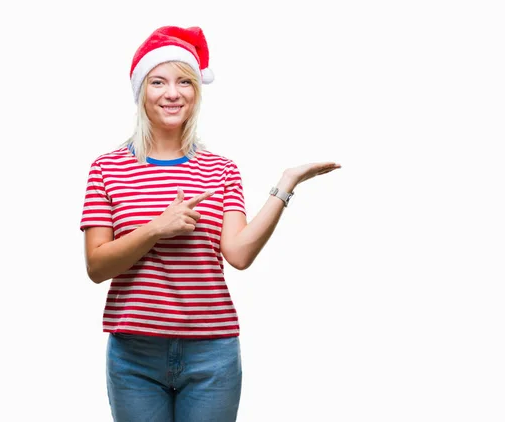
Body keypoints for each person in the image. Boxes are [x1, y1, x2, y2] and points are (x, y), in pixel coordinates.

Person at [80, 25, 341, 422]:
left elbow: (238, 254)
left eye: (184, 81)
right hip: (134, 355)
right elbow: (97, 267)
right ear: (141, 92)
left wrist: (285, 185)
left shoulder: (220, 170)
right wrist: (155, 228)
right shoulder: (106, 168)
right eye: (158, 81)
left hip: (212, 355)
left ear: (196, 93)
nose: (172, 93)